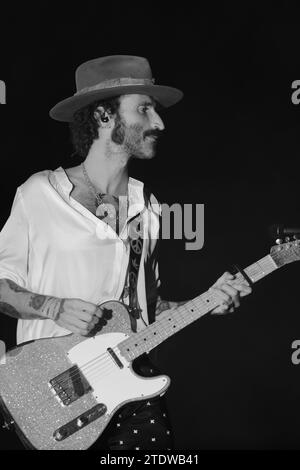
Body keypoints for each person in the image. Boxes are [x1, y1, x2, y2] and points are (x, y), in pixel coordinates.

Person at [0, 55, 251, 450]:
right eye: (145, 109)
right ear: (104, 115)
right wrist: (53, 307)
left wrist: (205, 303)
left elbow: (143, 311)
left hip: (131, 394)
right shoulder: (39, 194)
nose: (159, 123)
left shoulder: (148, 208)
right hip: (52, 399)